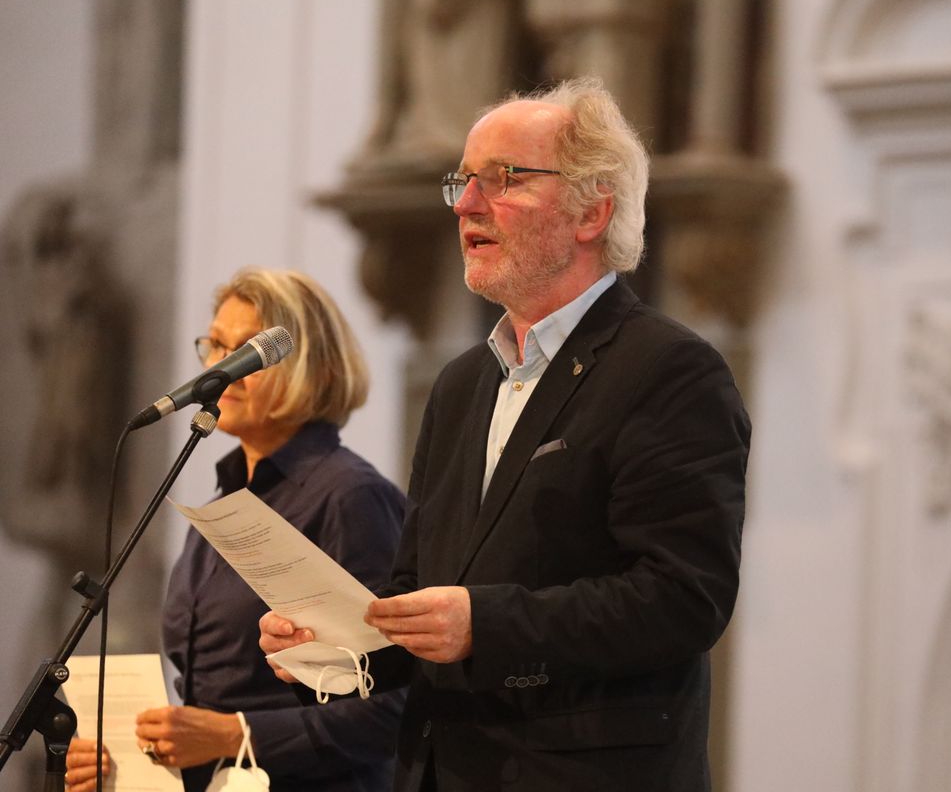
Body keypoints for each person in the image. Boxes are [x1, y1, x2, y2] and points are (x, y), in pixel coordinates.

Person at [261, 77, 751, 791]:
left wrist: (486, 626)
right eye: (463, 181)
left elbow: (682, 599)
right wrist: (339, 649)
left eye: (505, 180)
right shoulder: (463, 385)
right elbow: (419, 591)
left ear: (593, 212)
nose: (465, 205)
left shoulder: (669, 371)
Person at [66, 268, 407, 792]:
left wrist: (237, 734)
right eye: (216, 346)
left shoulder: (349, 496)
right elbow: (206, 701)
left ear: (308, 366)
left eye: (246, 352)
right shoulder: (223, 504)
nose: (219, 369)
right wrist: (134, 758)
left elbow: (393, 706)